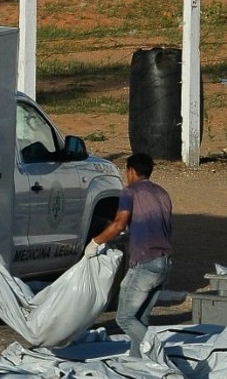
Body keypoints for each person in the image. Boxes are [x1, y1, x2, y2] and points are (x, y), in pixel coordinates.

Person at [84, 153, 172, 358]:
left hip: (146, 263)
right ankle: (138, 364)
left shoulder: (130, 192)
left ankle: (157, 351)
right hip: (165, 262)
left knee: (124, 318)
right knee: (140, 319)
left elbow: (119, 224)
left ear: (131, 171)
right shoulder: (162, 193)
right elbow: (153, 227)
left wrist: (95, 242)